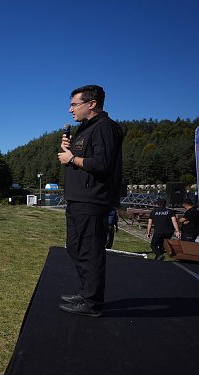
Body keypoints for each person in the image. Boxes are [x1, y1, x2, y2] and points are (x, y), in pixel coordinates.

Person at [56, 85, 124, 317]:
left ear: (91, 104)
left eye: (75, 104)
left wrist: (72, 158)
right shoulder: (87, 129)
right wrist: (70, 151)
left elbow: (102, 165)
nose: (70, 109)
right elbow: (84, 159)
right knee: (76, 247)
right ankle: (86, 292)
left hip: (92, 200)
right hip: (78, 199)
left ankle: (92, 302)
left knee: (90, 250)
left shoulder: (104, 128)